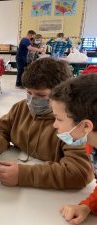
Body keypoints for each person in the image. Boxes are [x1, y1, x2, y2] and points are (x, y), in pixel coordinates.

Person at [0, 58, 93, 189]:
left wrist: (24, 175)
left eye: (41, 95)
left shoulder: (70, 124)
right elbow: (1, 129)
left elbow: (79, 172)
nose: (32, 100)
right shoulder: (21, 108)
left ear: (60, 94)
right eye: (29, 93)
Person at [50, 74, 97, 224]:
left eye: (59, 119)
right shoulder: (91, 143)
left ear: (86, 126)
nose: (54, 125)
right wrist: (87, 205)